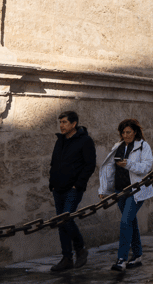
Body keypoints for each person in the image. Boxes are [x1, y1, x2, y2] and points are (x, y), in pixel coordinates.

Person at [98, 119, 153, 272]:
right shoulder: (118, 147)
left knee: (125, 222)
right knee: (130, 222)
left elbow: (147, 167)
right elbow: (109, 169)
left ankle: (121, 259)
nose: (125, 135)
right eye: (123, 132)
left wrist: (128, 164)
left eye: (128, 132)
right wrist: (104, 190)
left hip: (136, 191)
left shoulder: (143, 146)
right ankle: (137, 256)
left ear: (135, 132)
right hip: (120, 190)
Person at [49, 111, 96, 272]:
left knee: (67, 219)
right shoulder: (60, 141)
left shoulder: (85, 141)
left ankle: (80, 248)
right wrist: (52, 184)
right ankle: (67, 258)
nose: (61, 125)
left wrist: (78, 184)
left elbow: (90, 165)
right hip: (58, 188)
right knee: (61, 224)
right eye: (60, 122)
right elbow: (54, 163)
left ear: (74, 124)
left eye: (64, 122)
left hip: (73, 189)